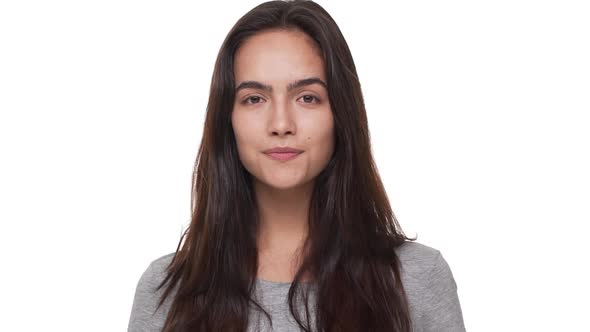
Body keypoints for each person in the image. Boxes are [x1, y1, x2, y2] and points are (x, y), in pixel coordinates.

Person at [128, 1, 466, 331]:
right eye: (254, 99)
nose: (281, 123)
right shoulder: (167, 292)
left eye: (307, 97)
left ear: (341, 114)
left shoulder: (415, 279)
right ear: (227, 119)